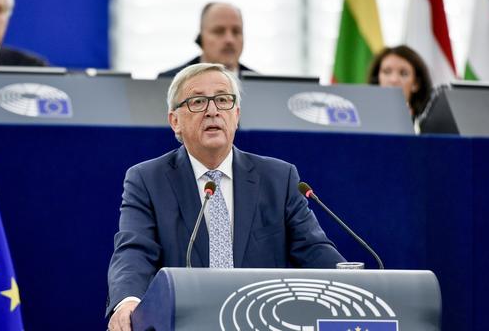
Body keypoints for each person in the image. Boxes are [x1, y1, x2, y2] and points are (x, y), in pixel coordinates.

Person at [107, 63, 345, 331]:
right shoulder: (147, 180)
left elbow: (315, 251)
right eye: (197, 101)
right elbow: (134, 251)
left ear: (236, 115)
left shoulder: (278, 178)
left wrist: (355, 288)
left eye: (223, 100)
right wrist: (128, 301)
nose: (212, 110)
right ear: (175, 121)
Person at [158, 2, 254, 78]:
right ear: (201, 37)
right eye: (219, 31)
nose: (229, 40)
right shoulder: (169, 81)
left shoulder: (264, 87)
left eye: (236, 31)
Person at [368, 45, 433, 121]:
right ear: (377, 79)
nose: (393, 80)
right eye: (387, 72)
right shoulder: (364, 119)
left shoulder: (429, 125)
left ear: (416, 83)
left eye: (403, 74)